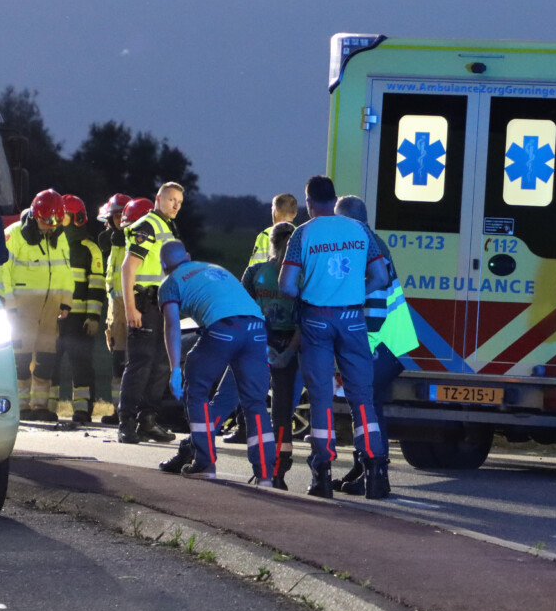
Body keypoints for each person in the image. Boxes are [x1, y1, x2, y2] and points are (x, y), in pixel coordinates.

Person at [279, 176, 389, 498]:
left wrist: (308, 294)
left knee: (322, 398)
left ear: (309, 203)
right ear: (335, 198)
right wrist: (355, 291)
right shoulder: (359, 230)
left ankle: (322, 474)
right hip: (353, 319)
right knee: (362, 399)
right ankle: (375, 471)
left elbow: (286, 285)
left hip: (316, 319)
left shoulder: (303, 234)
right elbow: (380, 277)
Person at [156, 240, 275, 485]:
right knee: (255, 402)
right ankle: (265, 474)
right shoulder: (214, 268)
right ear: (188, 256)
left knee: (196, 387)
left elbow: (172, 326)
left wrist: (175, 369)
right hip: (256, 328)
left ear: (163, 266)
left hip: (224, 329)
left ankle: (204, 462)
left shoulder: (170, 283)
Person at [332, 195, 419, 496]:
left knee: (364, 405)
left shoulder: (361, 242)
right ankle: (366, 468)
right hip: (388, 339)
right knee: (369, 404)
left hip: (378, 338)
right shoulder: (373, 240)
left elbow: (372, 293)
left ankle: (375, 472)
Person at [0, 189, 74, 422]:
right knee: (21, 356)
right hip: (20, 307)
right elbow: (0, 272)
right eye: (48, 221)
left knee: (46, 357)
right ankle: (20, 405)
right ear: (36, 215)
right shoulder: (13, 235)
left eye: (56, 221)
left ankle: (40, 406)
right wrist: (9, 304)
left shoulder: (59, 236)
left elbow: (65, 271)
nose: (52, 226)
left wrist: (66, 301)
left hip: (51, 306)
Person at [117, 184, 184, 445]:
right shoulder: (148, 225)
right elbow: (128, 267)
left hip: (164, 305)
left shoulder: (168, 227)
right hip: (145, 304)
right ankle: (127, 422)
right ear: (158, 199)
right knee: (141, 364)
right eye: (171, 199)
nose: (176, 205)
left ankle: (148, 421)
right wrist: (130, 307)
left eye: (179, 201)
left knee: (161, 365)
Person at [238, 222, 302, 488]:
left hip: (263, 342)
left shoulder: (256, 272)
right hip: (287, 344)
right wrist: (288, 351)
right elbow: (305, 319)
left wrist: (265, 345)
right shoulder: (302, 275)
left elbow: (242, 311)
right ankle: (278, 471)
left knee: (255, 406)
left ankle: (265, 466)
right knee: (282, 411)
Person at [57, 195, 105, 428]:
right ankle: (45, 408)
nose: (58, 219)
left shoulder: (89, 248)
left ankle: (83, 410)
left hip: (79, 320)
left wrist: (93, 317)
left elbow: (96, 286)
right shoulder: (53, 243)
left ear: (76, 218)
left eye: (63, 215)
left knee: (81, 365)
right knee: (49, 363)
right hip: (55, 317)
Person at [98, 193, 132, 425]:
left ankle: (131, 410)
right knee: (118, 361)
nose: (118, 220)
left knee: (134, 360)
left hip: (133, 308)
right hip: (116, 310)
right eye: (115, 216)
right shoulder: (111, 243)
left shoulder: (134, 240)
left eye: (121, 215)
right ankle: (118, 409)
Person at [249, 193, 301, 267]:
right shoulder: (301, 234)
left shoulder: (265, 235)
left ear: (275, 211)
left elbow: (254, 266)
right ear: (295, 214)